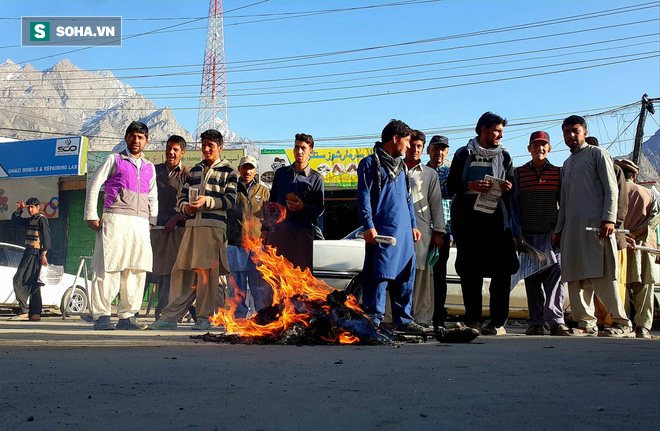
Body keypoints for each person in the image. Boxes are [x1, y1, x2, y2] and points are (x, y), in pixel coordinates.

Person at [149, 129, 237, 331]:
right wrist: (185, 208)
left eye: (211, 146)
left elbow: (231, 201)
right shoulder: (194, 171)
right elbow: (181, 197)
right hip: (191, 227)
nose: (206, 149)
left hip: (213, 228)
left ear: (220, 148)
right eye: (204, 145)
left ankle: (204, 317)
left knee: (206, 274)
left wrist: (208, 201)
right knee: (181, 270)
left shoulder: (229, 172)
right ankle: (170, 317)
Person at [554, 115, 632, 337]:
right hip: (571, 231)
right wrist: (560, 231)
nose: (570, 135)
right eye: (566, 132)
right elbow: (565, 201)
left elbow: (611, 188)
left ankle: (621, 323)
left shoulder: (598, 154)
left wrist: (608, 219)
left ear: (584, 132)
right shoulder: (567, 164)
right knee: (575, 277)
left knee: (602, 276)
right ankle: (585, 324)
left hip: (596, 228)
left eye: (574, 131)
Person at [447, 112, 518, 336]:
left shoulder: (505, 156)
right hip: (469, 223)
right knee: (470, 273)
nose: (499, 135)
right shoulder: (463, 154)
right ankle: (473, 321)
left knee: (502, 273)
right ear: (483, 130)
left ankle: (496, 323)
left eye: (501, 132)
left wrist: (508, 187)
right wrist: (471, 185)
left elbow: (512, 186)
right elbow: (451, 186)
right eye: (496, 131)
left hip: (497, 224)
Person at [85, 121, 158, 330]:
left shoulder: (149, 167)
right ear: (126, 138)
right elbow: (94, 184)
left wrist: (152, 219)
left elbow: (153, 195)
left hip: (140, 223)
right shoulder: (114, 159)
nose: (136, 141)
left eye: (141, 137)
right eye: (133, 136)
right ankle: (102, 316)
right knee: (109, 266)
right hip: (115, 218)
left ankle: (127, 317)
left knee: (136, 268)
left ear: (146, 141)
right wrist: (92, 214)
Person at [357, 119, 426, 333]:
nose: (408, 147)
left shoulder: (402, 167)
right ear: (395, 139)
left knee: (405, 276)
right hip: (383, 232)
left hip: (404, 232)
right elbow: (364, 197)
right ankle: (374, 321)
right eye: (406, 142)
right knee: (379, 276)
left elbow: (407, 199)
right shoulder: (369, 164)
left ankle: (403, 320)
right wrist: (369, 225)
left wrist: (414, 225)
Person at [511, 131, 569, 336]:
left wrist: (559, 230)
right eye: (535, 145)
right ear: (529, 149)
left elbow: (564, 204)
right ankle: (536, 321)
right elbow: (514, 206)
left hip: (552, 236)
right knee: (532, 279)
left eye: (543, 145)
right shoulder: (519, 173)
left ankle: (555, 321)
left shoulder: (558, 172)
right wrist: (517, 235)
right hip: (528, 237)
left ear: (549, 148)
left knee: (555, 278)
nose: (539, 149)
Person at [585, 136, 629, 330]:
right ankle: (598, 321)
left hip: (609, 234)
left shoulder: (614, 169)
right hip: (586, 234)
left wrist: (611, 224)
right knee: (588, 280)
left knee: (610, 279)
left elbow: (620, 203)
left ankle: (617, 321)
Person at [264, 133, 324, 273]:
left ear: (311, 152)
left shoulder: (316, 178)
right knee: (276, 277)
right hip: (279, 233)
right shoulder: (281, 174)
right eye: (296, 147)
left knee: (300, 279)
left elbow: (319, 209)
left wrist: (302, 207)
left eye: (303, 148)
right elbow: (271, 204)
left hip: (302, 235)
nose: (299, 151)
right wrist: (266, 229)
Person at [403, 130, 445, 327]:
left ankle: (420, 319)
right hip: (398, 230)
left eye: (419, 146)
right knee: (399, 273)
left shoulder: (430, 174)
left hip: (422, 232)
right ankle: (394, 318)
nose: (415, 149)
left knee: (421, 275)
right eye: (412, 145)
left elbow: (436, 205)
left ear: (423, 148)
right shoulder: (396, 169)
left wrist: (438, 232)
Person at [146, 135, 190, 321]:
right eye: (169, 148)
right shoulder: (154, 171)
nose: (171, 153)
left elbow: (191, 204)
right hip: (153, 228)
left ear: (182, 153)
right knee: (145, 270)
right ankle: (128, 312)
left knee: (169, 274)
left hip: (176, 229)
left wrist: (176, 218)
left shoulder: (188, 175)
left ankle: (162, 315)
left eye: (175, 149)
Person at [614, 159, 659, 339]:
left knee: (620, 286)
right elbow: (654, 219)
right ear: (634, 175)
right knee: (644, 287)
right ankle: (643, 328)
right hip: (644, 247)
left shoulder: (613, 193)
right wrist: (635, 235)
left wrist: (626, 236)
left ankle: (622, 324)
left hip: (619, 246)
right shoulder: (649, 194)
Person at [226, 155, 271, 318]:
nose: (247, 171)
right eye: (244, 167)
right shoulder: (231, 190)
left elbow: (270, 216)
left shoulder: (264, 191)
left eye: (251, 168)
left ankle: (260, 315)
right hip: (235, 242)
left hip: (256, 245)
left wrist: (266, 232)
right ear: (239, 170)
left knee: (258, 284)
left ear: (255, 171)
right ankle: (239, 317)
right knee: (237, 286)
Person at [427, 135, 453, 331]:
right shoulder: (421, 171)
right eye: (436, 148)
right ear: (429, 150)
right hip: (420, 231)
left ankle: (438, 317)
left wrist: (449, 233)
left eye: (443, 149)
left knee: (439, 275)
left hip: (442, 231)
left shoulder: (450, 173)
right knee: (419, 274)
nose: (439, 153)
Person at [9, 197, 51, 321]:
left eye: (32, 207)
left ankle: (24, 310)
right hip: (29, 252)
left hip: (35, 253)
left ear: (38, 207)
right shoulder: (32, 220)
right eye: (29, 207)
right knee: (34, 283)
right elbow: (16, 221)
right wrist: (19, 210)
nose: (30, 210)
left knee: (18, 279)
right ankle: (35, 313)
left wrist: (44, 254)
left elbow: (47, 237)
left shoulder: (41, 219)